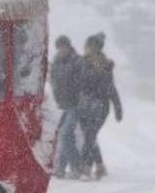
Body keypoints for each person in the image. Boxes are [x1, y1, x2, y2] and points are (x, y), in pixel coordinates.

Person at [78, 32, 122, 179]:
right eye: (87, 46)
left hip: (99, 106)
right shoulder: (85, 62)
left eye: (90, 46)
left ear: (96, 48)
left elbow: (109, 86)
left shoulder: (100, 64)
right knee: (90, 137)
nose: (87, 48)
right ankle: (100, 166)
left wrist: (117, 107)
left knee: (90, 136)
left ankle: (86, 167)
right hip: (85, 105)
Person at [50, 35, 83, 178]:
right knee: (63, 134)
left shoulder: (78, 61)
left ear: (69, 47)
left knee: (66, 134)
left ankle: (76, 167)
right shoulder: (56, 61)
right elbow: (53, 80)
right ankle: (61, 168)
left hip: (76, 104)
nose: (62, 50)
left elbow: (83, 82)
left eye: (64, 47)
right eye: (59, 47)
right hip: (61, 105)